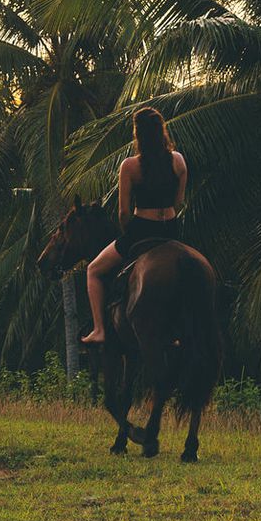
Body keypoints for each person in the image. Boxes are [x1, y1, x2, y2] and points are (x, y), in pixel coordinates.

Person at [81, 107, 187, 344]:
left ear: (138, 134)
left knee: (94, 271)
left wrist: (127, 231)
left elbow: (124, 212)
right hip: (170, 230)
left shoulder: (129, 166)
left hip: (142, 231)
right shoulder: (178, 160)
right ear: (162, 132)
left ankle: (99, 330)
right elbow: (179, 202)